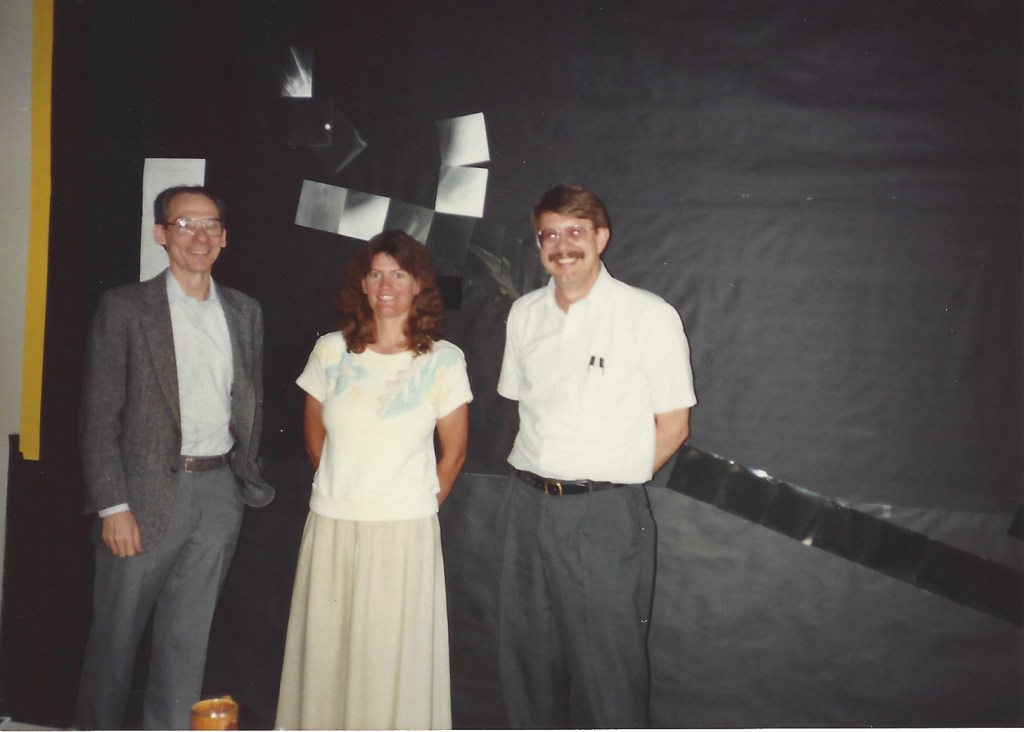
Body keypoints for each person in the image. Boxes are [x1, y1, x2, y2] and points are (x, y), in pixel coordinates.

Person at [496, 183, 697, 728]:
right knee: (527, 665)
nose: (562, 245)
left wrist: (609, 480)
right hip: (527, 508)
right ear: (538, 243)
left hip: (604, 515)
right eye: (550, 234)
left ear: (601, 238)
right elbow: (527, 409)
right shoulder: (524, 315)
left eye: (575, 231)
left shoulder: (648, 315)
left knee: (608, 673)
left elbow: (674, 426)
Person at [74, 185, 275, 729]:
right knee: (114, 643)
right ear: (160, 234)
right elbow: (98, 416)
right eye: (184, 224)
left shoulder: (244, 312)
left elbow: (248, 400)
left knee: (186, 645)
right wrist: (112, 505)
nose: (199, 236)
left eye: (210, 225)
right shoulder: (124, 308)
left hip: (216, 496)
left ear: (225, 237)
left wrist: (240, 478)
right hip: (140, 500)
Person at [275, 230, 472, 730]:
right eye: (376, 274)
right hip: (334, 523)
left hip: (402, 532)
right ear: (362, 285)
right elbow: (315, 437)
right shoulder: (329, 351)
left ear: (418, 285)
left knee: (389, 657)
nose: (387, 285)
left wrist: (410, 506)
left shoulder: (443, 360)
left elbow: (453, 454)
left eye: (399, 274)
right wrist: (345, 491)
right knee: (327, 655)